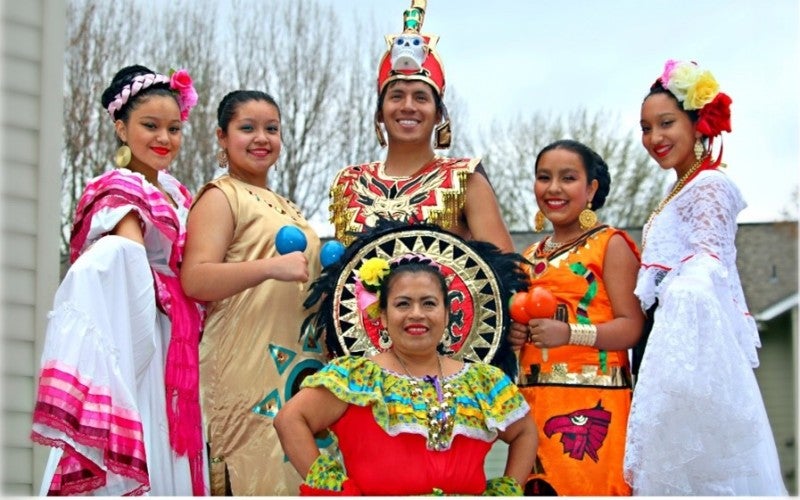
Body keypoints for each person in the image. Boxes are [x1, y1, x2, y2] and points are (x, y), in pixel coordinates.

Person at [30, 65, 207, 495]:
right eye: (151, 126)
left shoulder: (178, 194)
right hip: (143, 338)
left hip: (180, 336)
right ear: (121, 128)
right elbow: (126, 263)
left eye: (174, 128)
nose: (164, 138)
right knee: (147, 427)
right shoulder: (117, 190)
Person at [623, 59, 787, 495]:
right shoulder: (683, 186)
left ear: (698, 124)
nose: (654, 138)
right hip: (665, 339)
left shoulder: (709, 186)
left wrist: (675, 353)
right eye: (645, 127)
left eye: (666, 123)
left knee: (698, 468)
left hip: (689, 348)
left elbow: (707, 262)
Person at [275, 254, 538, 495]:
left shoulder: (483, 382)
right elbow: (289, 420)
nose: (416, 314)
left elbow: (524, 432)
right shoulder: (356, 378)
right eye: (402, 304)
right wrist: (336, 492)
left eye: (429, 303)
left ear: (447, 314)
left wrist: (508, 491)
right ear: (384, 317)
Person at [180, 90, 328, 495]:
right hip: (245, 367)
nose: (261, 138)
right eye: (247, 128)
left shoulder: (288, 206)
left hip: (300, 371)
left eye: (272, 129)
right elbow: (194, 278)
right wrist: (269, 268)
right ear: (222, 138)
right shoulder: (220, 196)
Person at [505, 139, 644, 495]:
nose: (553, 189)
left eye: (568, 178)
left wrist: (569, 333)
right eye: (543, 177)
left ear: (591, 188)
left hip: (594, 408)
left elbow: (632, 326)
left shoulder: (609, 244)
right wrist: (516, 337)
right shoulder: (528, 255)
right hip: (533, 406)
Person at [328, 0, 514, 252]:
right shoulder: (349, 183)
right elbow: (338, 278)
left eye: (420, 97)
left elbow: (504, 277)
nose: (408, 106)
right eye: (396, 96)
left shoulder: (463, 179)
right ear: (380, 113)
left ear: (439, 115)